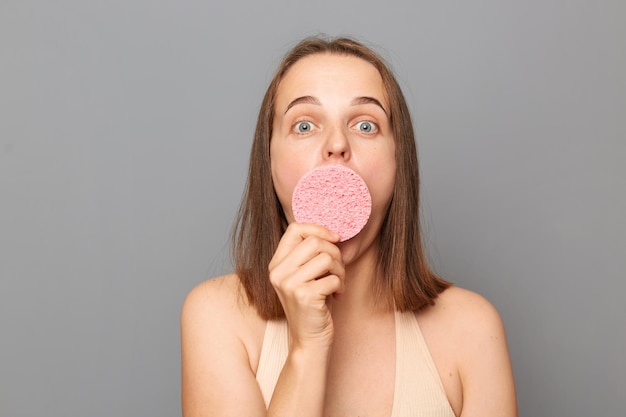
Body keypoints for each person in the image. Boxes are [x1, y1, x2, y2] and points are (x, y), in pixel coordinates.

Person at [180, 36, 517, 417]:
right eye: (304, 125)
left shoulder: (472, 331)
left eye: (366, 126)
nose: (337, 144)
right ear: (269, 164)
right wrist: (307, 348)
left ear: (397, 164)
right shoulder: (218, 316)